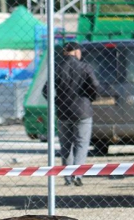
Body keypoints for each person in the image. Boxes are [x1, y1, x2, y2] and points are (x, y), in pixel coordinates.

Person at [43, 41, 100, 186]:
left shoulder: (57, 68)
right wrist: (89, 98)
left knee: (66, 146)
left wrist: (57, 101)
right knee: (81, 144)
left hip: (63, 111)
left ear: (65, 53)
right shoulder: (85, 67)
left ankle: (67, 177)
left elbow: (46, 90)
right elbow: (95, 86)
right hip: (82, 110)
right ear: (76, 52)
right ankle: (77, 174)